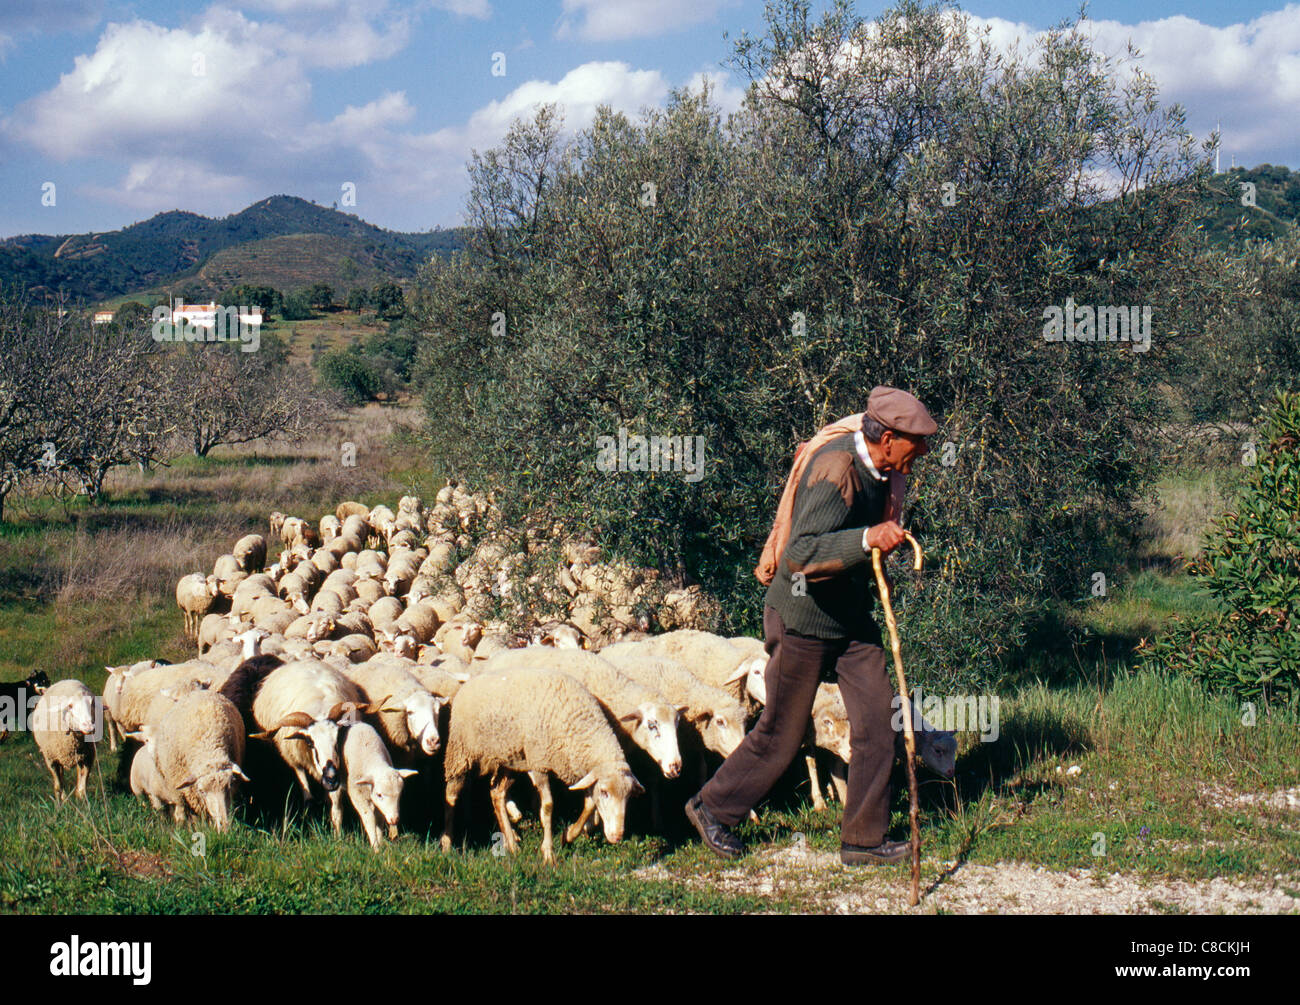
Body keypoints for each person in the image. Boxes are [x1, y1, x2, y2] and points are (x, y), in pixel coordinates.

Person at [685, 385, 937, 865]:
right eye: (916, 441)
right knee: (782, 732)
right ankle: (711, 807)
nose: (923, 450)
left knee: (880, 719)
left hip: (847, 620)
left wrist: (882, 538)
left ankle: (863, 841)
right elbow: (800, 555)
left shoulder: (881, 471)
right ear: (887, 438)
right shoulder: (836, 469)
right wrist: (867, 538)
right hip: (801, 616)